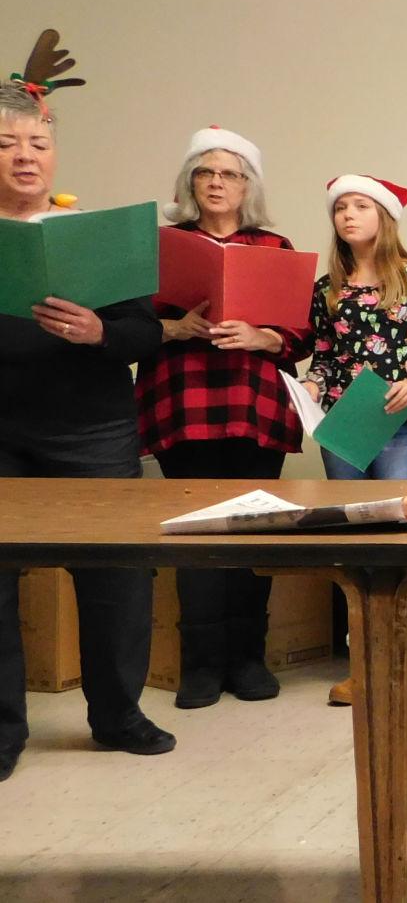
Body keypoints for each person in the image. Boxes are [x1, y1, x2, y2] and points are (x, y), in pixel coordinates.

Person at [0, 75, 174, 782]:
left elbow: (147, 332)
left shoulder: (95, 236)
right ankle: (3, 729)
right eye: (7, 143)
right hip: (2, 431)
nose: (25, 155)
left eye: (38, 143)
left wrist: (101, 331)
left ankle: (118, 713)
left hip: (92, 431)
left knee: (117, 575)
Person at [137, 127, 311, 709]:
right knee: (196, 533)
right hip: (182, 405)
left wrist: (263, 336)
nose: (216, 182)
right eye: (205, 172)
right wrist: (173, 327)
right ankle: (202, 664)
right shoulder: (162, 245)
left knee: (253, 529)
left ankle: (248, 658)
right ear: (190, 183)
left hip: (254, 407)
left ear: (246, 187)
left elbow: (303, 333)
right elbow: (129, 326)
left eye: (229, 174)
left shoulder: (275, 247)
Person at [305, 174, 407, 714]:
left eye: (360, 206)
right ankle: (370, 663)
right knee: (356, 544)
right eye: (340, 208)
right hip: (342, 426)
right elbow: (323, 358)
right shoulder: (327, 288)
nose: (348, 215)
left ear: (384, 215)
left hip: (398, 425)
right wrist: (312, 385)